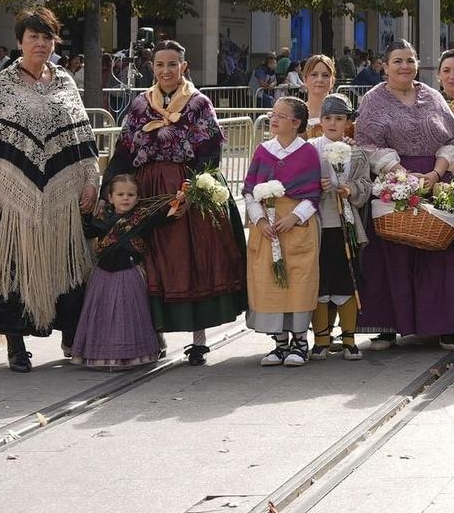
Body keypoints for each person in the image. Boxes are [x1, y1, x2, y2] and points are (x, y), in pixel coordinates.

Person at [0, 9, 102, 371]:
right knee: (13, 267)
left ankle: (69, 336)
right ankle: (15, 346)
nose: (41, 44)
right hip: (10, 195)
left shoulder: (64, 81)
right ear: (20, 42)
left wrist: (91, 180)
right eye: (33, 37)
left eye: (47, 38)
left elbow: (82, 136)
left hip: (63, 195)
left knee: (67, 265)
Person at [105, 40, 242, 366]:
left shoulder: (198, 104)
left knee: (192, 261)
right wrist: (106, 189)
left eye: (172, 64)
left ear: (184, 67)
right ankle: (153, 332)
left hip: (187, 188)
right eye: (160, 65)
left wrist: (192, 191)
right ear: (153, 69)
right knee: (151, 261)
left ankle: (198, 339)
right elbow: (124, 152)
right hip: (148, 191)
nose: (166, 70)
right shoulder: (140, 105)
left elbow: (211, 153)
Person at [356, 40, 454, 355]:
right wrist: (402, 176)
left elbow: (452, 138)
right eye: (397, 61)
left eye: (410, 60)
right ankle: (387, 327)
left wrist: (436, 175)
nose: (405, 67)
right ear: (384, 65)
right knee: (392, 254)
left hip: (436, 178)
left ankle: (449, 328)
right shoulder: (373, 100)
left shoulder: (433, 96)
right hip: (393, 180)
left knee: (446, 252)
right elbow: (368, 142)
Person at [242, 97, 325, 367]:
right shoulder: (263, 151)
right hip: (268, 225)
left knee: (299, 279)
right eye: (273, 114)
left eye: (281, 115)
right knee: (269, 279)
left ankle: (300, 341)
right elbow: (250, 191)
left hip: (296, 225)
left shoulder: (309, 153)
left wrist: (295, 216)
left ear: (296, 122)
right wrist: (260, 221)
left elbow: (313, 193)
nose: (274, 119)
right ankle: (279, 342)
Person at [70, 174, 183, 370]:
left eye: (130, 194)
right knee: (102, 314)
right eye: (120, 194)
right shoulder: (103, 218)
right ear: (110, 197)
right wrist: (85, 213)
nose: (125, 198)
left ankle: (133, 353)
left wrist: (180, 200)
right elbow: (88, 232)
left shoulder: (143, 216)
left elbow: (167, 216)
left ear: (137, 198)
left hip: (130, 272)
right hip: (103, 274)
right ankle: (102, 354)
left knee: (129, 313)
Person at [309, 94, 371, 359]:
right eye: (328, 118)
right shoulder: (310, 148)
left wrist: (349, 189)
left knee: (347, 279)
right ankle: (321, 339)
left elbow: (366, 185)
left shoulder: (356, 152)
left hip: (345, 224)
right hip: (317, 225)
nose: (333, 123)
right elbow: (298, 183)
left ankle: (349, 338)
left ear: (348, 122)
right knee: (320, 283)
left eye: (339, 118)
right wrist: (316, 186)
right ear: (320, 121)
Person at [297, 54, 338, 138]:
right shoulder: (295, 114)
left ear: (333, 81)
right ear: (304, 79)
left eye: (325, 75)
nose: (319, 79)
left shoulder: (341, 114)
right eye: (314, 74)